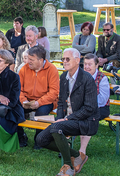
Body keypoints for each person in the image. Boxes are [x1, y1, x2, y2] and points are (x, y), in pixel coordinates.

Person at [36, 48, 100, 176]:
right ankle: (77, 156)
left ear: (77, 60)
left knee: (56, 128)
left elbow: (89, 108)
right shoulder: (64, 76)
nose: (64, 61)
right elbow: (60, 102)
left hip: (86, 121)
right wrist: (60, 118)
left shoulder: (87, 79)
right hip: (67, 119)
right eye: (63, 59)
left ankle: (68, 167)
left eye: (67, 59)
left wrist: (66, 120)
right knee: (40, 139)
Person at [17, 46, 59, 149]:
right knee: (15, 110)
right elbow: (18, 89)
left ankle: (39, 139)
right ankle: (21, 136)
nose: (29, 62)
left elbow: (54, 92)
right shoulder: (24, 68)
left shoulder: (52, 69)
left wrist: (39, 102)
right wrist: (24, 101)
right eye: (28, 59)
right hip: (27, 99)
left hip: (45, 100)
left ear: (41, 60)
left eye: (31, 59)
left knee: (41, 113)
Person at [77, 53, 110, 161]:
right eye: (85, 64)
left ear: (97, 66)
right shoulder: (79, 76)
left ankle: (82, 151)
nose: (86, 67)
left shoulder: (102, 78)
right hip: (82, 107)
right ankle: (66, 146)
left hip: (101, 108)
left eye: (90, 64)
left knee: (88, 117)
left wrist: (87, 102)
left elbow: (103, 99)